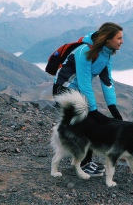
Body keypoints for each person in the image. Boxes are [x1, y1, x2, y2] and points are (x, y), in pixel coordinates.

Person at [53, 22, 124, 177]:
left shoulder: (106, 54)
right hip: (65, 89)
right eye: (119, 38)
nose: (122, 41)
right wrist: (93, 110)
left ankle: (85, 161)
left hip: (78, 91)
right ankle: (83, 163)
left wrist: (113, 108)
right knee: (87, 124)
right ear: (107, 39)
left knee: (90, 123)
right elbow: (85, 83)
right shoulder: (84, 51)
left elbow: (107, 81)